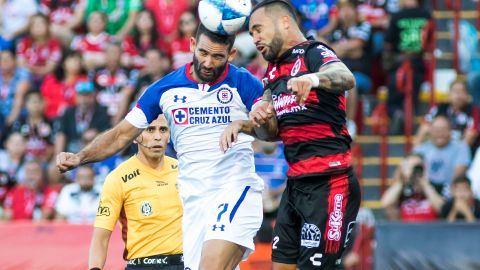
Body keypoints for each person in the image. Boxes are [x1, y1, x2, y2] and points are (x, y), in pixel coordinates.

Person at [57, 24, 264, 270]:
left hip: (234, 187)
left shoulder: (244, 83)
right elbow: (121, 135)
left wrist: (244, 125)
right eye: (203, 53)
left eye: (218, 56)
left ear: (230, 55)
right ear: (191, 46)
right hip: (195, 201)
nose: (208, 63)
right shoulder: (164, 89)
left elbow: (272, 129)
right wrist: (80, 157)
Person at [225, 1, 361, 269]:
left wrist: (312, 79)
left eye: (258, 29)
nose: (255, 39)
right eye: (251, 34)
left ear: (284, 22)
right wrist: (250, 124)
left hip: (330, 182)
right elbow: (271, 132)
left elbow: (346, 77)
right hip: (296, 183)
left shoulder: (313, 52)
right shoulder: (273, 71)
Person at [88, 115, 183, 269]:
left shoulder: (185, 171)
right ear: (134, 137)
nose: (157, 137)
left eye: (163, 130)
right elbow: (101, 238)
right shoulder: (117, 178)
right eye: (149, 130)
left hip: (185, 264)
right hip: (142, 265)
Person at [413, 115, 471, 195]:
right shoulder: (421, 149)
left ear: (450, 131)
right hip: (424, 190)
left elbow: (456, 178)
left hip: (449, 191)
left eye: (443, 129)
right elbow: (412, 170)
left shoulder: (461, 148)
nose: (440, 133)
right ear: (430, 131)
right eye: (436, 130)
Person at [380, 153, 444, 221]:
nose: (414, 170)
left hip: (432, 230)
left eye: (417, 166)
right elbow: (385, 204)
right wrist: (403, 179)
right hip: (406, 230)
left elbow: (442, 209)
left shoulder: (435, 186)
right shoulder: (400, 189)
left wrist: (425, 184)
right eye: (411, 167)